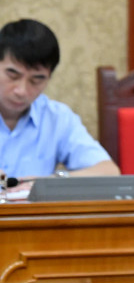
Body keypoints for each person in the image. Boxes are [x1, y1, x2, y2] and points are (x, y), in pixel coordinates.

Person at [0, 19, 119, 184]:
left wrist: (48, 182)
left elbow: (109, 172)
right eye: (13, 75)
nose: (22, 90)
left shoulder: (56, 118)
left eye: (36, 80)